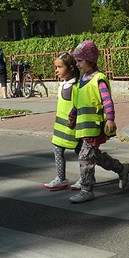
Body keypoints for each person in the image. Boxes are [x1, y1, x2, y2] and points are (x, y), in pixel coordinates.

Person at [67, 40, 129, 203]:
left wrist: (110, 118)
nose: (77, 64)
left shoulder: (98, 79)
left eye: (80, 61)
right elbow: (79, 102)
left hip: (94, 126)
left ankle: (87, 189)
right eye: (76, 61)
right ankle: (121, 168)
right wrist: (73, 115)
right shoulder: (82, 80)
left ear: (90, 60)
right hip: (83, 127)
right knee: (93, 156)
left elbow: (107, 101)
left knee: (85, 156)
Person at [44, 52, 82, 191]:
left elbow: (78, 105)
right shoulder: (63, 84)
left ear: (71, 68)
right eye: (56, 67)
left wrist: (74, 118)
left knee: (82, 154)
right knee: (57, 150)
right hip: (61, 128)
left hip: (75, 127)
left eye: (60, 67)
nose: (56, 70)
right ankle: (61, 178)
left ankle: (85, 178)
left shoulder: (77, 87)